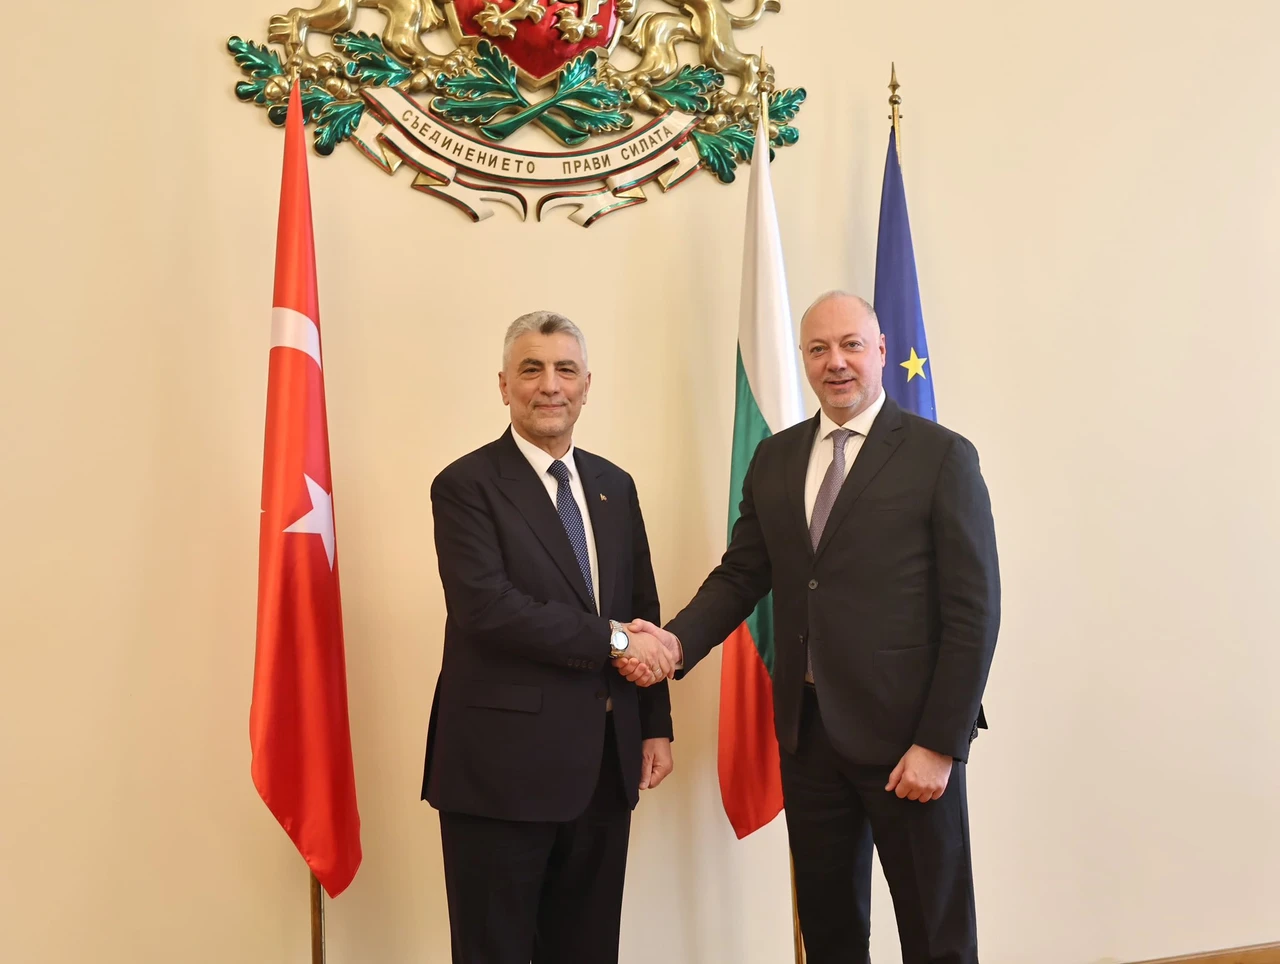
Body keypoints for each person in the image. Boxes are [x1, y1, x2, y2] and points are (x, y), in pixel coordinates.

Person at [622, 292, 1000, 964]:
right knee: (828, 932)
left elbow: (974, 611)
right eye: (819, 349)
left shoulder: (941, 457)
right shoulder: (775, 459)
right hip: (808, 737)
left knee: (936, 934)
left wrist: (941, 743)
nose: (836, 363)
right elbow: (741, 575)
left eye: (851, 344)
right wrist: (675, 643)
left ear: (881, 351)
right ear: (803, 359)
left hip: (908, 742)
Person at [423, 310, 676, 964]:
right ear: (503, 385)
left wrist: (654, 725)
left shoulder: (613, 486)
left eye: (566, 369)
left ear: (588, 383)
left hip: (603, 767)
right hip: (500, 774)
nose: (550, 385)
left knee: (587, 952)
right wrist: (617, 644)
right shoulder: (465, 485)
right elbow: (490, 609)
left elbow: (639, 607)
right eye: (531, 369)